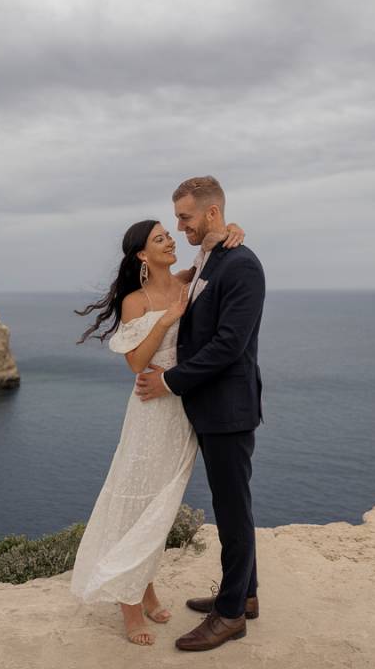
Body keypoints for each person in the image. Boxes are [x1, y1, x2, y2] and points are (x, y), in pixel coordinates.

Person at [70, 217, 245, 646]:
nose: (169, 242)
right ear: (142, 256)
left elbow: (208, 254)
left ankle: (145, 588)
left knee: (161, 506)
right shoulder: (136, 301)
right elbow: (135, 363)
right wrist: (167, 318)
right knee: (135, 501)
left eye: (169, 234)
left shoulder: (187, 280)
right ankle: (130, 605)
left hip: (182, 410)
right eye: (159, 239)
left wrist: (228, 230)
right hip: (150, 411)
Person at [135, 175, 265, 651]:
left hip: (229, 409)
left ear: (212, 213)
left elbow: (230, 345)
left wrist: (169, 381)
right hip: (212, 407)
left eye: (185, 217)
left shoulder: (243, 266)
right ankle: (245, 595)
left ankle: (231, 615)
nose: (179, 226)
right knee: (231, 505)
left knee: (233, 510)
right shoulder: (212, 254)